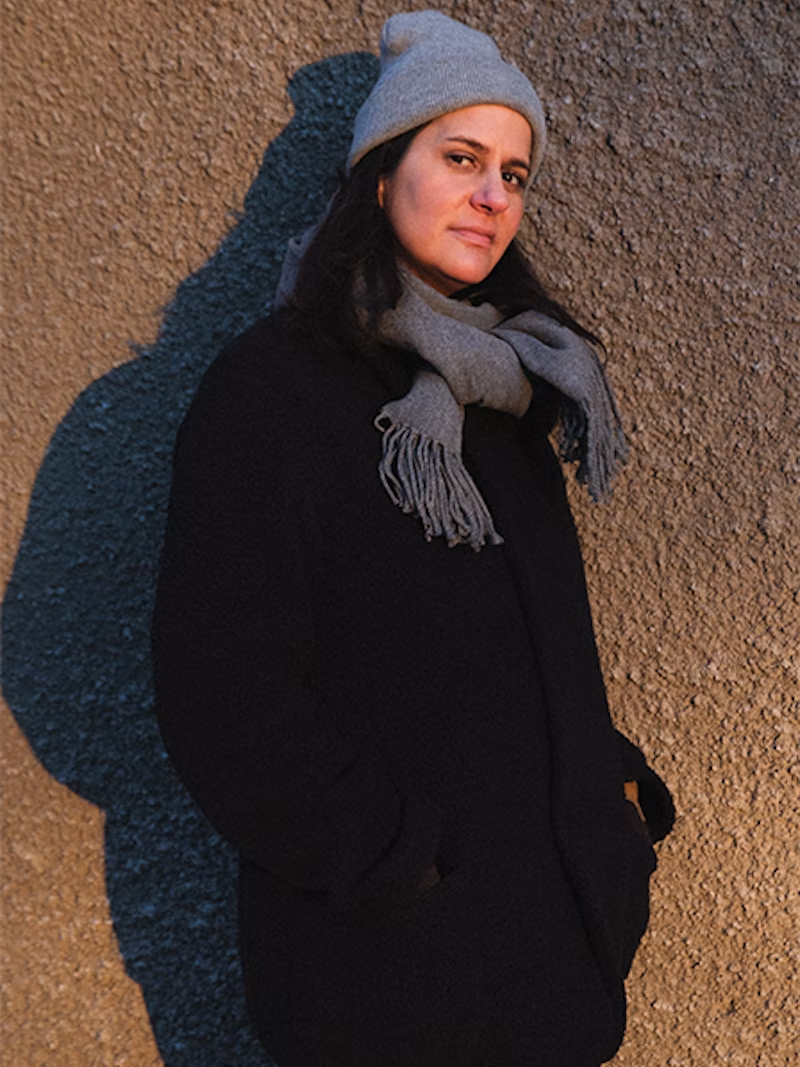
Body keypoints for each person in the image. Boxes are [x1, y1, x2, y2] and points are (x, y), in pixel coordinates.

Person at [151, 11, 674, 1066]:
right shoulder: (274, 390)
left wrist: (608, 803)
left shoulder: (508, 392)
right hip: (387, 980)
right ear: (382, 171)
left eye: (514, 174)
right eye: (461, 158)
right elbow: (221, 694)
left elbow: (521, 665)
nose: (493, 197)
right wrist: (401, 857)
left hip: (552, 967)